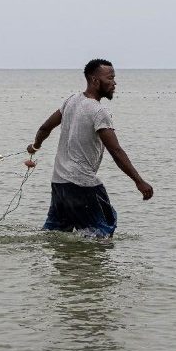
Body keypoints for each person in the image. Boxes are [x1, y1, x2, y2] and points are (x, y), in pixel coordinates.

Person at [27, 59, 153, 238]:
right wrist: (139, 181)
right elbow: (116, 151)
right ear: (95, 81)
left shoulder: (71, 101)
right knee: (103, 232)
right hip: (82, 183)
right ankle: (94, 265)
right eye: (110, 78)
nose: (114, 83)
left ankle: (68, 266)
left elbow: (45, 128)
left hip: (59, 183)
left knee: (55, 233)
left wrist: (35, 146)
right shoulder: (98, 111)